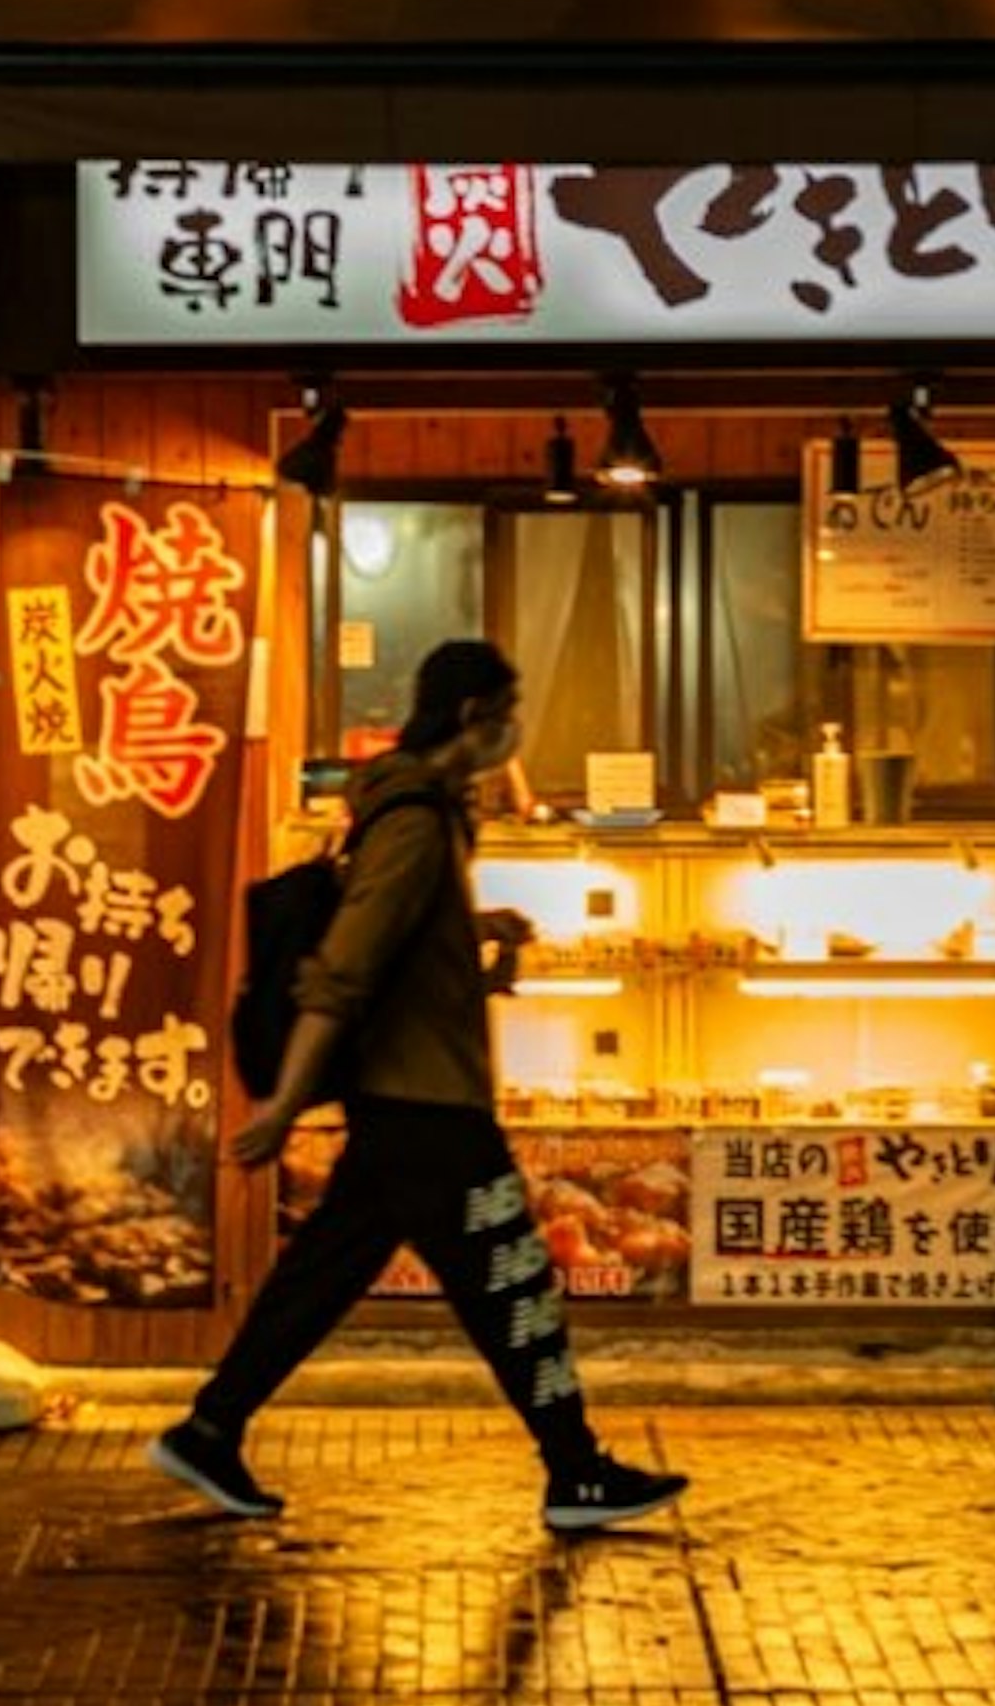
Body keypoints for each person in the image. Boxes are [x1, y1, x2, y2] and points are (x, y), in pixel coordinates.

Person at [146, 639, 691, 1534]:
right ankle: (575, 1470)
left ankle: (211, 1428)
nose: (516, 733)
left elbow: (395, 948)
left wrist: (471, 933)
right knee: (514, 1285)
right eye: (509, 714)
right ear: (474, 719)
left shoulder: (422, 812)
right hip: (428, 1112)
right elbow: (346, 965)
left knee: (323, 1278)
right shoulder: (410, 820)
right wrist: (283, 1104)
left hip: (409, 1108)